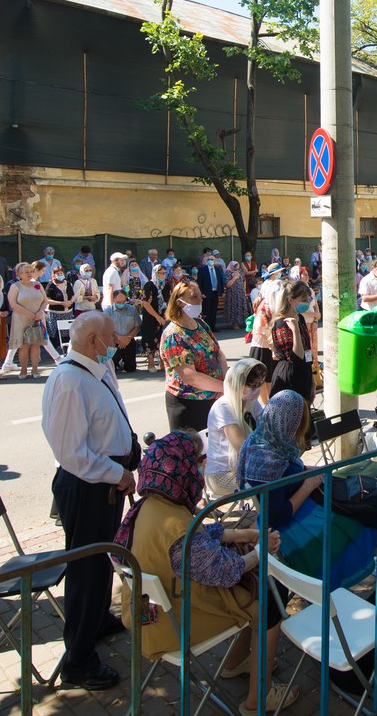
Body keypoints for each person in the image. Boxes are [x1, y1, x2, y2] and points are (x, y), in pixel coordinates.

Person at [114, 432, 295, 715]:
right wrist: (260, 552)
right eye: (198, 462)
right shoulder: (176, 524)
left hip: (154, 614)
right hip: (172, 624)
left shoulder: (152, 505)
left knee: (261, 584)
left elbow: (200, 534)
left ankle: (236, 663)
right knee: (272, 594)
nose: (201, 467)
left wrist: (247, 533)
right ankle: (258, 699)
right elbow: (226, 571)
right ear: (183, 468)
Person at [41, 310, 139, 691]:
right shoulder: (68, 380)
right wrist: (118, 474)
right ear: (92, 340)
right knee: (85, 573)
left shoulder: (93, 371)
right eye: (110, 337)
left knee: (100, 565)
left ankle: (97, 621)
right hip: (89, 485)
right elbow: (72, 454)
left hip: (104, 483)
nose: (116, 343)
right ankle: (78, 661)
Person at [237, 391, 377, 586]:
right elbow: (278, 516)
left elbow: (287, 471)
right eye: (299, 423)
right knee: (355, 522)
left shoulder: (267, 438)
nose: (301, 429)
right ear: (288, 422)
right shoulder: (268, 460)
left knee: (359, 507)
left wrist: (304, 471)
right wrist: (308, 484)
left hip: (303, 501)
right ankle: (342, 579)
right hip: (290, 523)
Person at [161, 279, 228, 431]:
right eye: (194, 297)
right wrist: (224, 387)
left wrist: (223, 383)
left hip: (213, 398)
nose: (200, 300)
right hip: (188, 404)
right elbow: (190, 376)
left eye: (199, 296)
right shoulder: (174, 335)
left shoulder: (201, 324)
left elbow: (219, 354)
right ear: (179, 302)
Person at [206, 358, 268, 499]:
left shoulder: (250, 402)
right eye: (252, 386)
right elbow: (242, 448)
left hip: (245, 468)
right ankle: (266, 519)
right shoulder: (223, 407)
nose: (256, 389)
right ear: (237, 384)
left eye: (259, 385)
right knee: (270, 482)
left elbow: (267, 428)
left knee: (284, 473)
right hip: (221, 475)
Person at [269, 280, 315, 404]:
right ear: (290, 300)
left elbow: (307, 351)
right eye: (303, 300)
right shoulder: (281, 323)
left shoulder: (299, 318)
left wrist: (312, 380)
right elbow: (297, 357)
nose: (306, 303)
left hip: (304, 374)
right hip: (290, 378)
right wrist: (295, 331)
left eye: (308, 300)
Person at [6, 261, 48, 379]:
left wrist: (40, 312)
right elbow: (13, 304)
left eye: (31, 271)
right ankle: (23, 369)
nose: (29, 274)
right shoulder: (15, 286)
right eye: (26, 272)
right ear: (19, 274)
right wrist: (29, 314)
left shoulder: (37, 285)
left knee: (35, 344)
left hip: (37, 318)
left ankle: (35, 369)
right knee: (24, 345)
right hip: (21, 318)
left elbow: (45, 300)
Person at [106, 288, 141, 374]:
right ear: (114, 300)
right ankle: (117, 362)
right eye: (118, 302)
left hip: (129, 341)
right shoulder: (108, 311)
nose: (121, 304)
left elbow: (137, 326)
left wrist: (127, 338)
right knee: (111, 369)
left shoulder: (132, 309)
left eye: (123, 302)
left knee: (131, 368)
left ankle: (123, 362)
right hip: (113, 342)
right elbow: (106, 329)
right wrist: (120, 338)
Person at [197, 248, 226, 328]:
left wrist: (222, 292)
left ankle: (213, 326)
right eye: (209, 259)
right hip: (206, 293)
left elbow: (220, 281)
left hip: (215, 292)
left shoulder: (217, 269)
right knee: (207, 310)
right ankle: (206, 327)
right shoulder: (202, 270)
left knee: (213, 310)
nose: (211, 261)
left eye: (212, 260)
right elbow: (199, 282)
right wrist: (201, 293)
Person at [221, 260, 248, 330]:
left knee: (242, 306)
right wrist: (234, 278)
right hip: (232, 294)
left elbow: (244, 280)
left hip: (240, 293)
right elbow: (227, 284)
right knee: (233, 307)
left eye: (237, 265)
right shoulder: (227, 273)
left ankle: (243, 322)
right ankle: (234, 324)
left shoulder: (240, 272)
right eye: (235, 265)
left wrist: (244, 290)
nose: (236, 267)